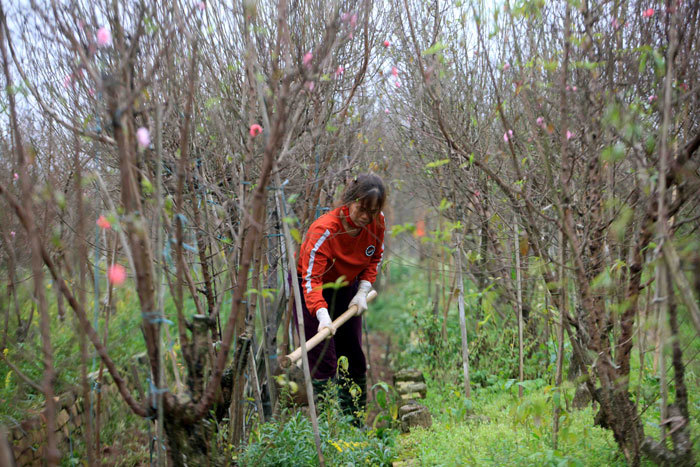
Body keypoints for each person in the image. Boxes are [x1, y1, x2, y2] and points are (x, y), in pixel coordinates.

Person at [295, 173, 386, 425]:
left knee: (353, 356)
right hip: (312, 289)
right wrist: (323, 316)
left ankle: (353, 422)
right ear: (350, 200)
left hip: (347, 286)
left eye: (373, 211)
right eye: (362, 209)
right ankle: (325, 429)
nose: (366, 217)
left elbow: (374, 258)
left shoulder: (377, 223)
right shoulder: (324, 230)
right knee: (323, 359)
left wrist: (362, 291)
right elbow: (311, 280)